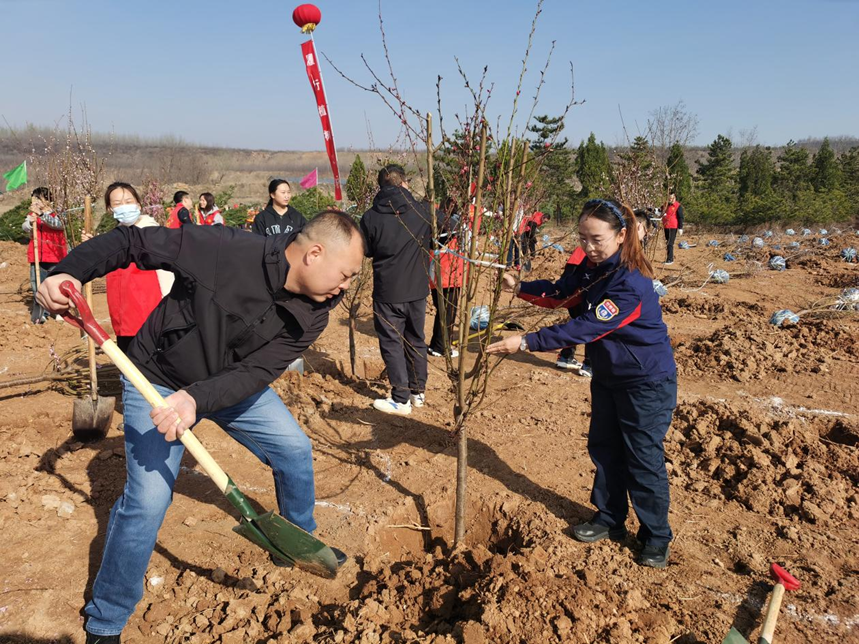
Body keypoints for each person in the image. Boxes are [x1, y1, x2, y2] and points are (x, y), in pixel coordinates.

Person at [37, 211, 365, 643]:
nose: (345, 287)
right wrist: (67, 271)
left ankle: (297, 541)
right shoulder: (223, 249)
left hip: (229, 386)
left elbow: (258, 371)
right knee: (149, 499)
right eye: (344, 275)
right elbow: (131, 242)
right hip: (156, 378)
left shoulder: (317, 311)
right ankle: (106, 618)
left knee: (294, 449)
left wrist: (199, 399)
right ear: (314, 254)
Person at [487, 198, 677, 569]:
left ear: (622, 236)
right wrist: (520, 286)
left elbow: (587, 326)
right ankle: (609, 518)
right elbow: (562, 293)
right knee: (604, 448)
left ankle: (656, 536)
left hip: (645, 383)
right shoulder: (593, 269)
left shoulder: (631, 283)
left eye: (597, 239)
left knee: (642, 458)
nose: (588, 247)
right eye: (582, 238)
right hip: (608, 378)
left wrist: (526, 342)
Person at [360, 164, 436, 416]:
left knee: (392, 342)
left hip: (387, 290)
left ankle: (401, 398)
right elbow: (444, 231)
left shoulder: (370, 217)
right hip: (417, 289)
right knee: (416, 339)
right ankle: (417, 392)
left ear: (381, 186)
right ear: (403, 183)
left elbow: (367, 250)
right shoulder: (423, 211)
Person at [102, 182, 175, 352]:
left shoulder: (151, 232)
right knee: (129, 359)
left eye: (128, 201)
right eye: (117, 204)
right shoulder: (115, 237)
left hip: (150, 312)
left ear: (138, 205)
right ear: (109, 209)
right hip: (123, 315)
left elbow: (168, 274)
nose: (124, 207)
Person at [22, 187, 67, 323]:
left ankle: (59, 311)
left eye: (38, 199)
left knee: (55, 285)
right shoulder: (33, 214)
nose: (36, 202)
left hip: (55, 256)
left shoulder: (57, 213)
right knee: (38, 286)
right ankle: (42, 313)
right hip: (37, 256)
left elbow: (58, 225)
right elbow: (24, 227)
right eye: (34, 199)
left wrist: (42, 214)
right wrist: (30, 222)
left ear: (47, 200)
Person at [428, 198, 463, 359]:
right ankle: (441, 347)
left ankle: (437, 344)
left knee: (443, 312)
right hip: (448, 274)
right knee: (447, 312)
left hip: (442, 274)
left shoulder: (437, 222)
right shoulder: (448, 224)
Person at [661, 192, 684, 265]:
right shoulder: (666, 205)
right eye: (669, 198)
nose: (671, 199)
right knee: (667, 241)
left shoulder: (678, 206)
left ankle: (670, 259)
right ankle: (669, 258)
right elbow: (660, 210)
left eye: (672, 198)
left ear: (675, 198)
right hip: (666, 226)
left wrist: (680, 227)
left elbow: (680, 217)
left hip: (673, 226)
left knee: (670, 243)